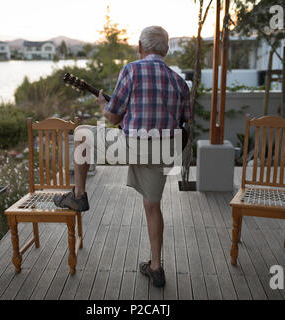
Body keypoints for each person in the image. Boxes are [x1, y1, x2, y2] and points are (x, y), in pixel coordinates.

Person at [54, 25, 191, 288]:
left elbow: (115, 117)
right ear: (166, 50)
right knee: (152, 207)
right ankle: (156, 267)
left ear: (141, 48)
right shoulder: (179, 81)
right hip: (163, 150)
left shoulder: (131, 69)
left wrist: (105, 106)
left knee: (82, 133)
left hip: (133, 145)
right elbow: (184, 121)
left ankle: (79, 195)